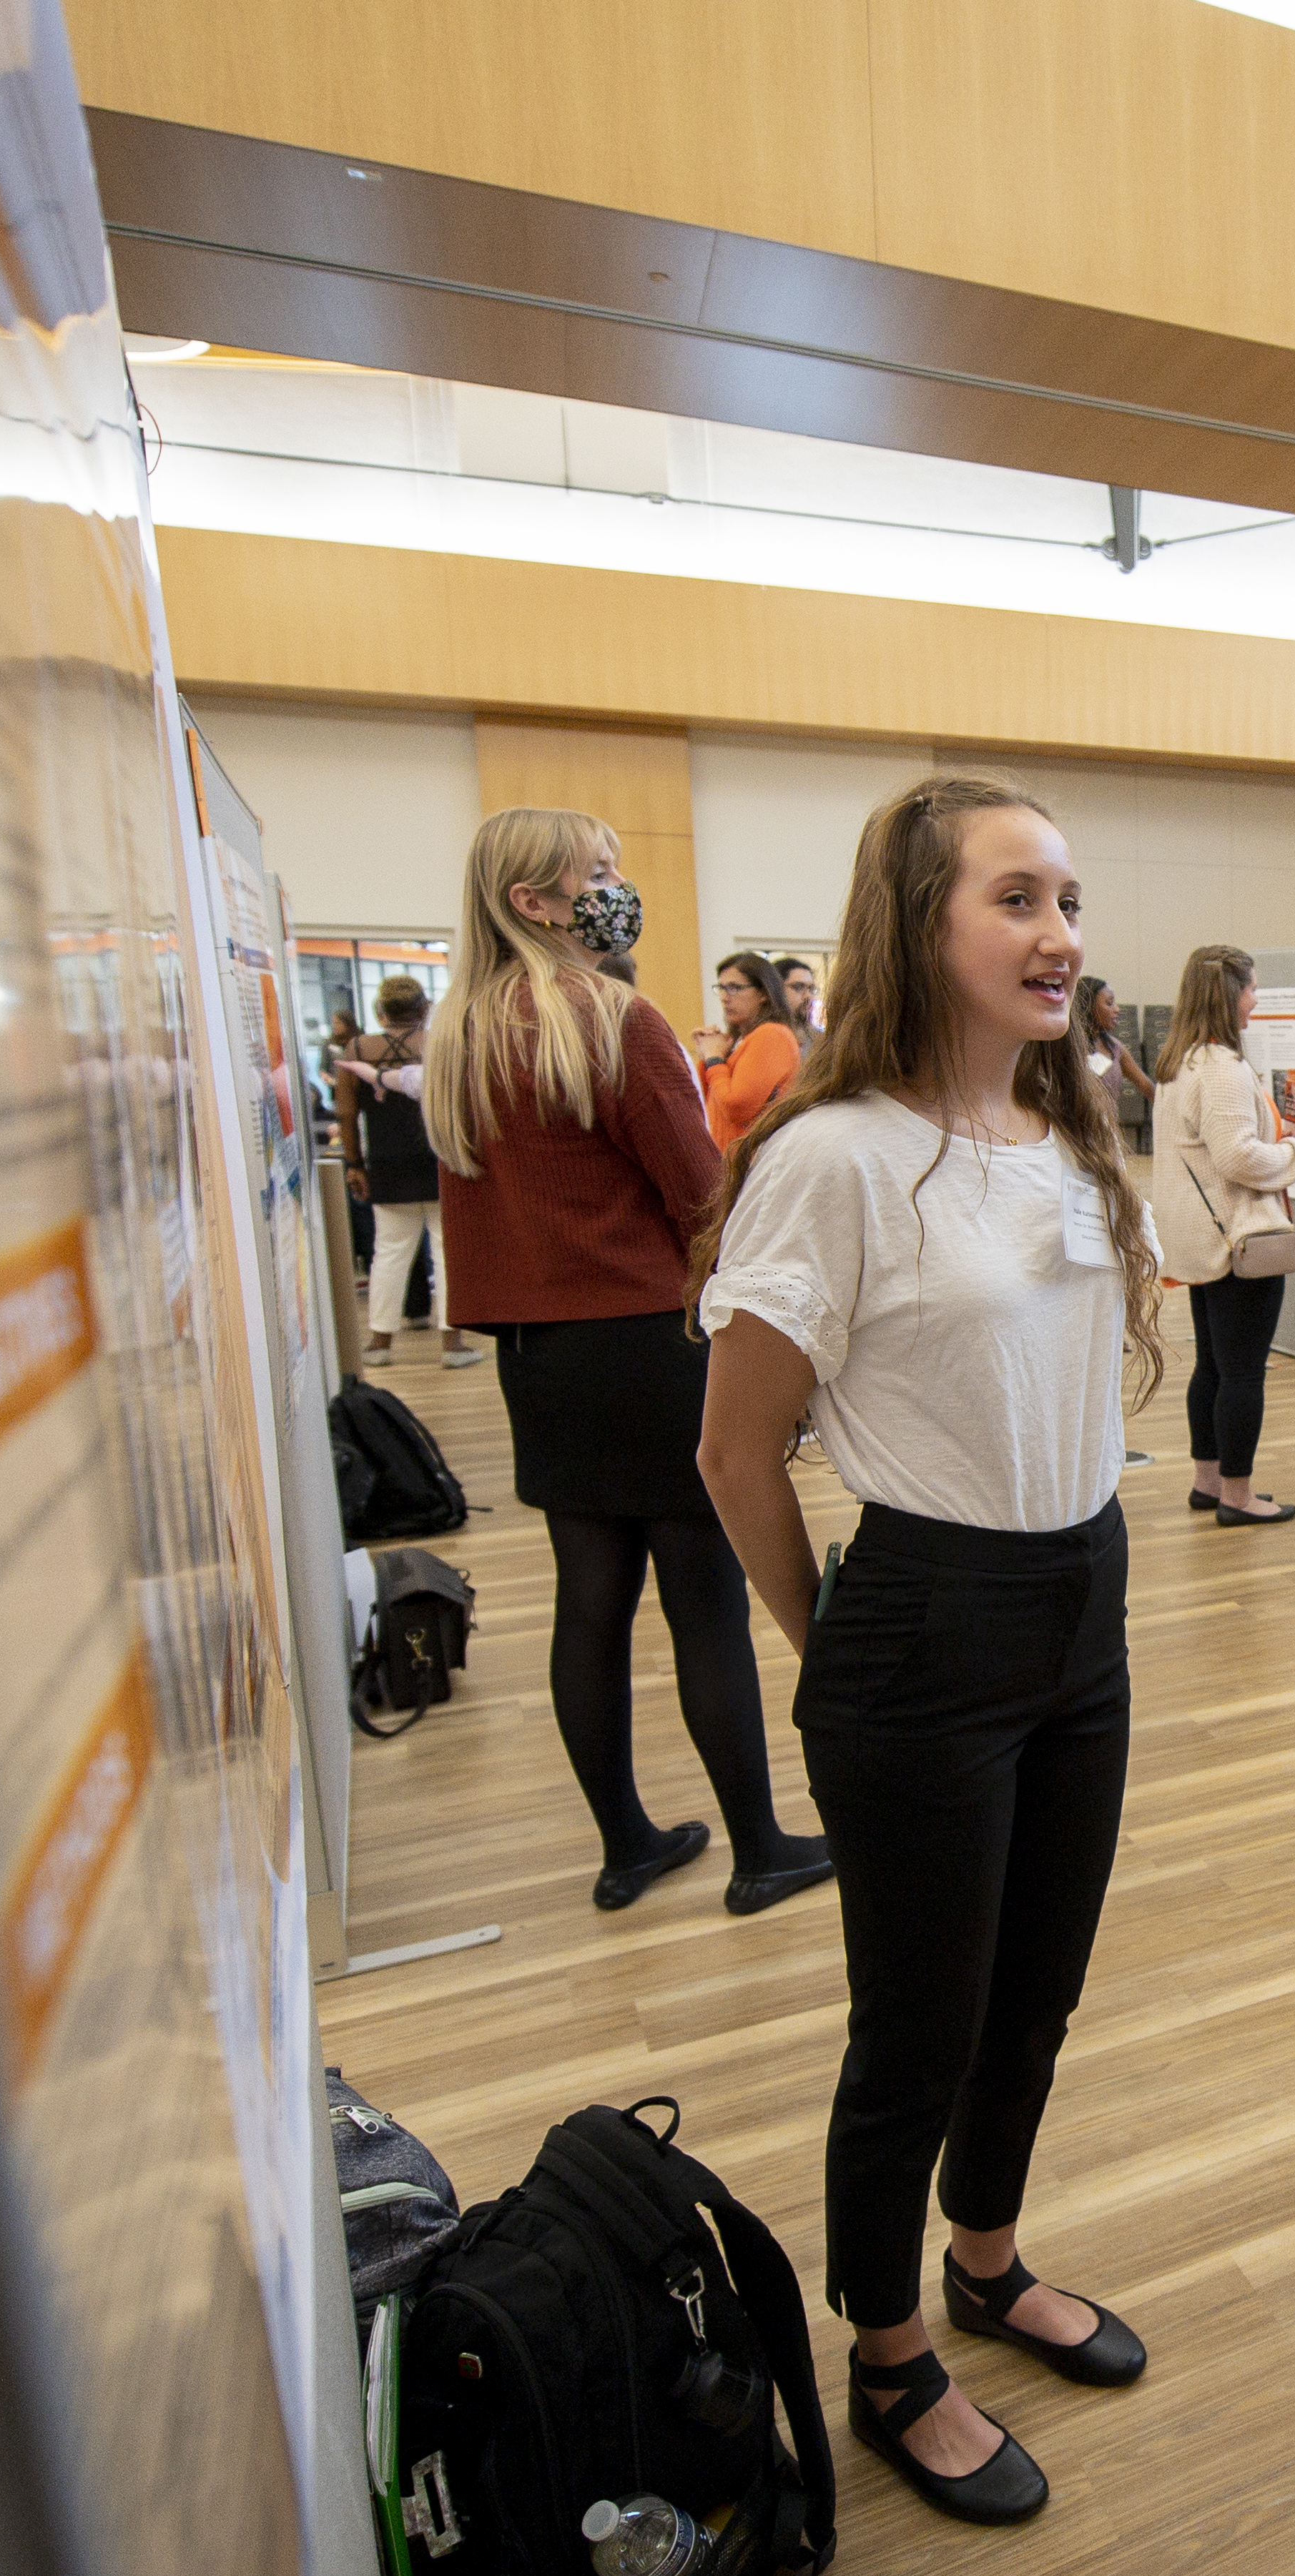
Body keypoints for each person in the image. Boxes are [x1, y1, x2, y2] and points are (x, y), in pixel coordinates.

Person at [693, 772, 1167, 2530]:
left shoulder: (1067, 1130)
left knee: (1033, 1988)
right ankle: (886, 2346)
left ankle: (985, 2259)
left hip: (1082, 1599)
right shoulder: (829, 1157)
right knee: (918, 2022)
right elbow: (737, 1454)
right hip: (919, 1620)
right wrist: (843, 1656)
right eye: (1018, 901)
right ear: (922, 926)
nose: (1059, 936)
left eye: (1067, 900)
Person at [426, 805, 834, 1920]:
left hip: (542, 1357)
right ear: (534, 901)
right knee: (705, 1601)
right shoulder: (611, 1017)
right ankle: (760, 1847)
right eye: (596, 871)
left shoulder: (462, 1031)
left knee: (590, 1600)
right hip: (651, 1342)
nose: (616, 884)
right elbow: (703, 1193)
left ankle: (627, 1847)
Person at [1150, 942, 1295, 1527]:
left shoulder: (1180, 1064)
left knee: (1214, 1367)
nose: (1256, 998)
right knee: (1243, 1373)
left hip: (1204, 1241)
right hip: (1237, 1243)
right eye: (1251, 988)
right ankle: (1238, 1495)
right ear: (1229, 994)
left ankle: (1208, 1482)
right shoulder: (1221, 1067)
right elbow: (1240, 1159)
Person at [334, 974, 478, 1368]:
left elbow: (347, 1115)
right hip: (442, 1159)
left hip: (384, 1162)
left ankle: (380, 1343)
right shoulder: (439, 1044)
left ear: (382, 1011)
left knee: (389, 1254)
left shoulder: (358, 1048)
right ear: (424, 1008)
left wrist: (355, 1165)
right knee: (448, 1253)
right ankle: (453, 1344)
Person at [704, 949, 802, 1148]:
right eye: (721, 988)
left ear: (764, 993)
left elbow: (738, 1106)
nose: (724, 997)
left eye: (734, 988)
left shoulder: (773, 1035)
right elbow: (712, 1101)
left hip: (749, 1166)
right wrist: (707, 1054)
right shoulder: (743, 1038)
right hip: (729, 1161)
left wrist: (714, 1060)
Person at [1076, 977, 1153, 1122]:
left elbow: (1147, 1087)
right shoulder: (1067, 1047)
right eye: (1109, 1003)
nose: (1117, 1009)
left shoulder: (1115, 1047)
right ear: (1087, 1006)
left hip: (1106, 1131)